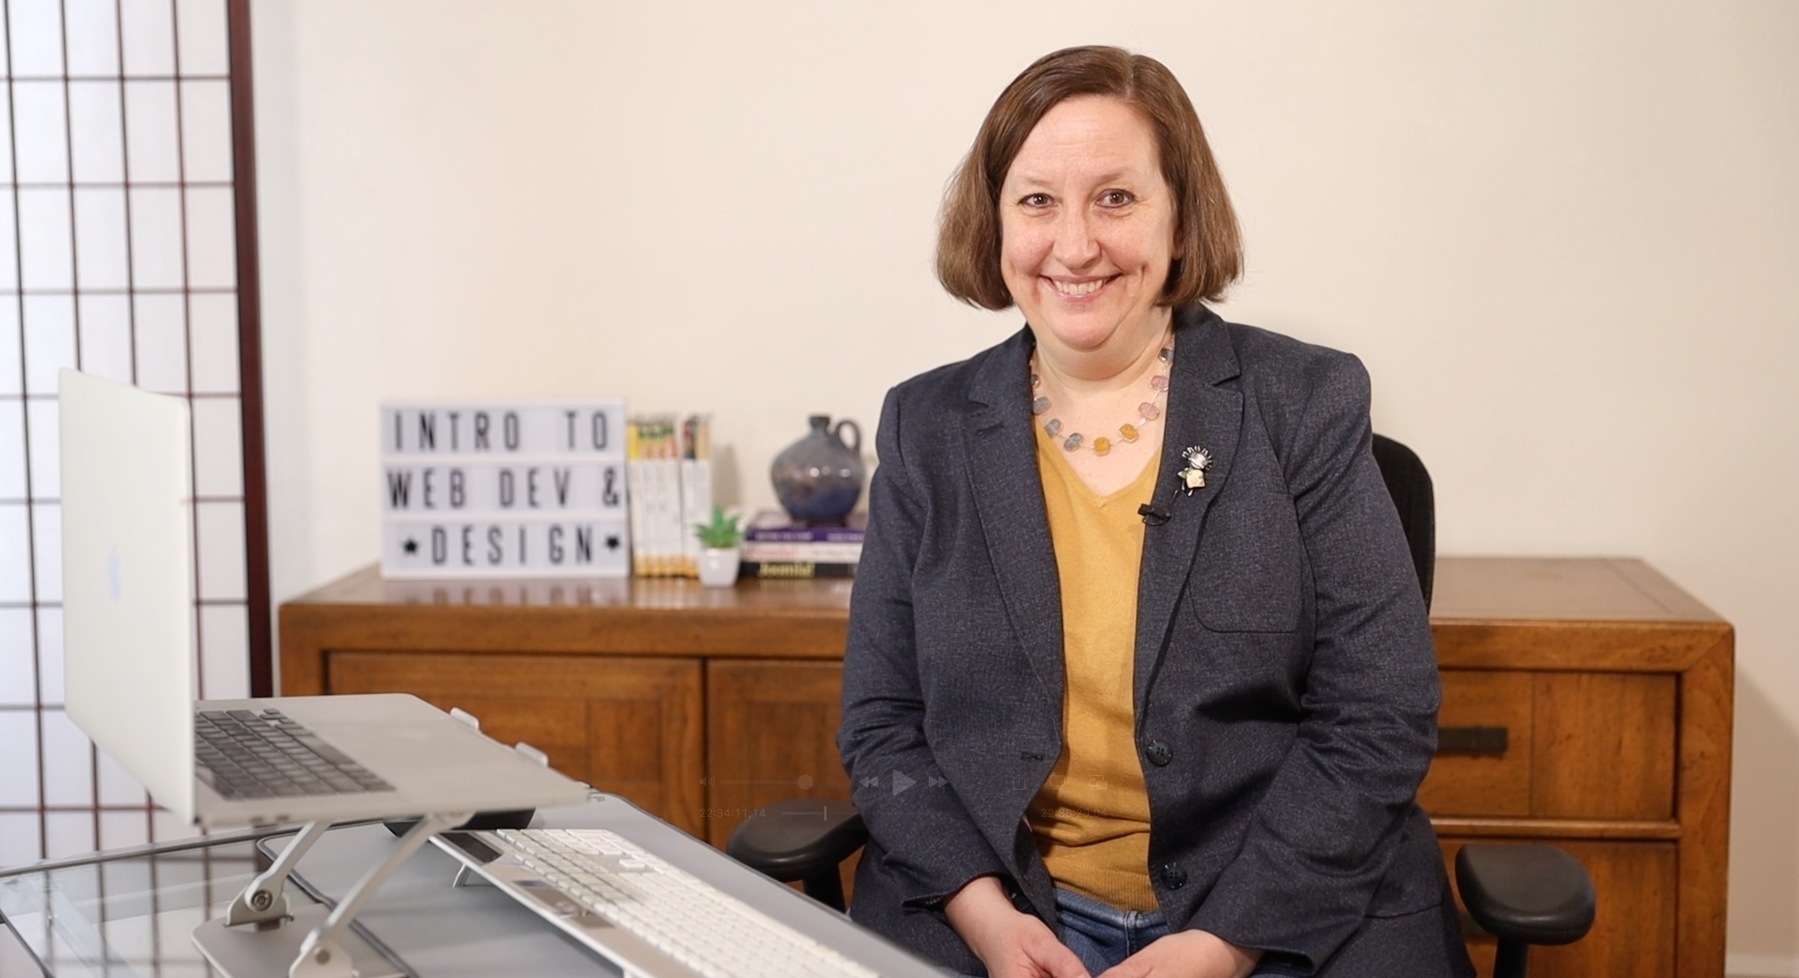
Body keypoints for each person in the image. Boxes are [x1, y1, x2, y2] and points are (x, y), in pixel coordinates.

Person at [837, 46, 1475, 978]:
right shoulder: (925, 426)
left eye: (1116, 198)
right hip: (1004, 903)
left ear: (1180, 217)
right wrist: (984, 919)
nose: (1075, 245)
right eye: (1037, 200)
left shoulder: (1303, 401)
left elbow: (1380, 713)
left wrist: (1221, 945)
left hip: (1277, 904)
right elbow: (882, 720)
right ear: (995, 222)